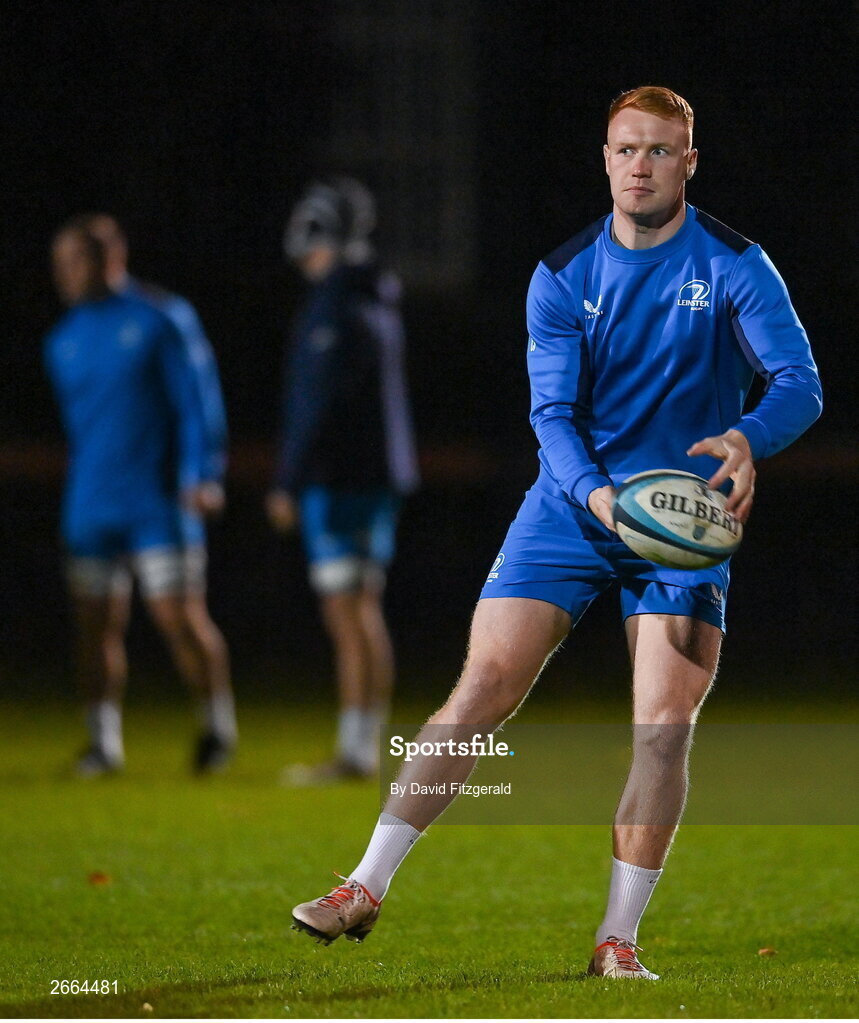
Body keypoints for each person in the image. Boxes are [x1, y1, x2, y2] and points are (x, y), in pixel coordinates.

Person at [290, 88, 822, 976]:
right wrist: (595, 496)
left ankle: (617, 939)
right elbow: (552, 414)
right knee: (479, 690)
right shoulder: (563, 274)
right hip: (571, 507)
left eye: (659, 151)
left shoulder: (736, 265)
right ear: (604, 158)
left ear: (689, 163)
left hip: (682, 521)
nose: (640, 165)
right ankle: (363, 884)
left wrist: (746, 436)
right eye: (625, 149)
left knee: (661, 726)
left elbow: (799, 383)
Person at [44, 217, 237, 776]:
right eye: (59, 264)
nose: (65, 275)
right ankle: (103, 744)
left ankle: (215, 727)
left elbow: (198, 402)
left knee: (178, 617)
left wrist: (203, 472)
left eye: (75, 262)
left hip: (157, 499)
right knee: (94, 624)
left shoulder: (160, 318)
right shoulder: (63, 339)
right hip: (91, 503)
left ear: (109, 260)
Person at [267, 178, 419, 783]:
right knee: (364, 607)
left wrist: (288, 480)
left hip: (339, 479)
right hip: (378, 476)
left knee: (345, 611)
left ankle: (354, 751)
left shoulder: (335, 304)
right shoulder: (378, 296)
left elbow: (317, 403)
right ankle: (362, 743)